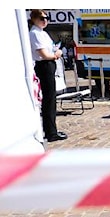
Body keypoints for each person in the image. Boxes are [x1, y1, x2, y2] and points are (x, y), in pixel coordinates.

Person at [29, 9, 67, 142]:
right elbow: (44, 54)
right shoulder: (35, 33)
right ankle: (51, 132)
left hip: (49, 64)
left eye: (46, 18)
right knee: (49, 99)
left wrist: (56, 51)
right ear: (34, 19)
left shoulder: (42, 33)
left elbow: (50, 48)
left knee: (51, 99)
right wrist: (56, 55)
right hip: (44, 65)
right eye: (42, 18)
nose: (45, 20)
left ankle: (52, 129)